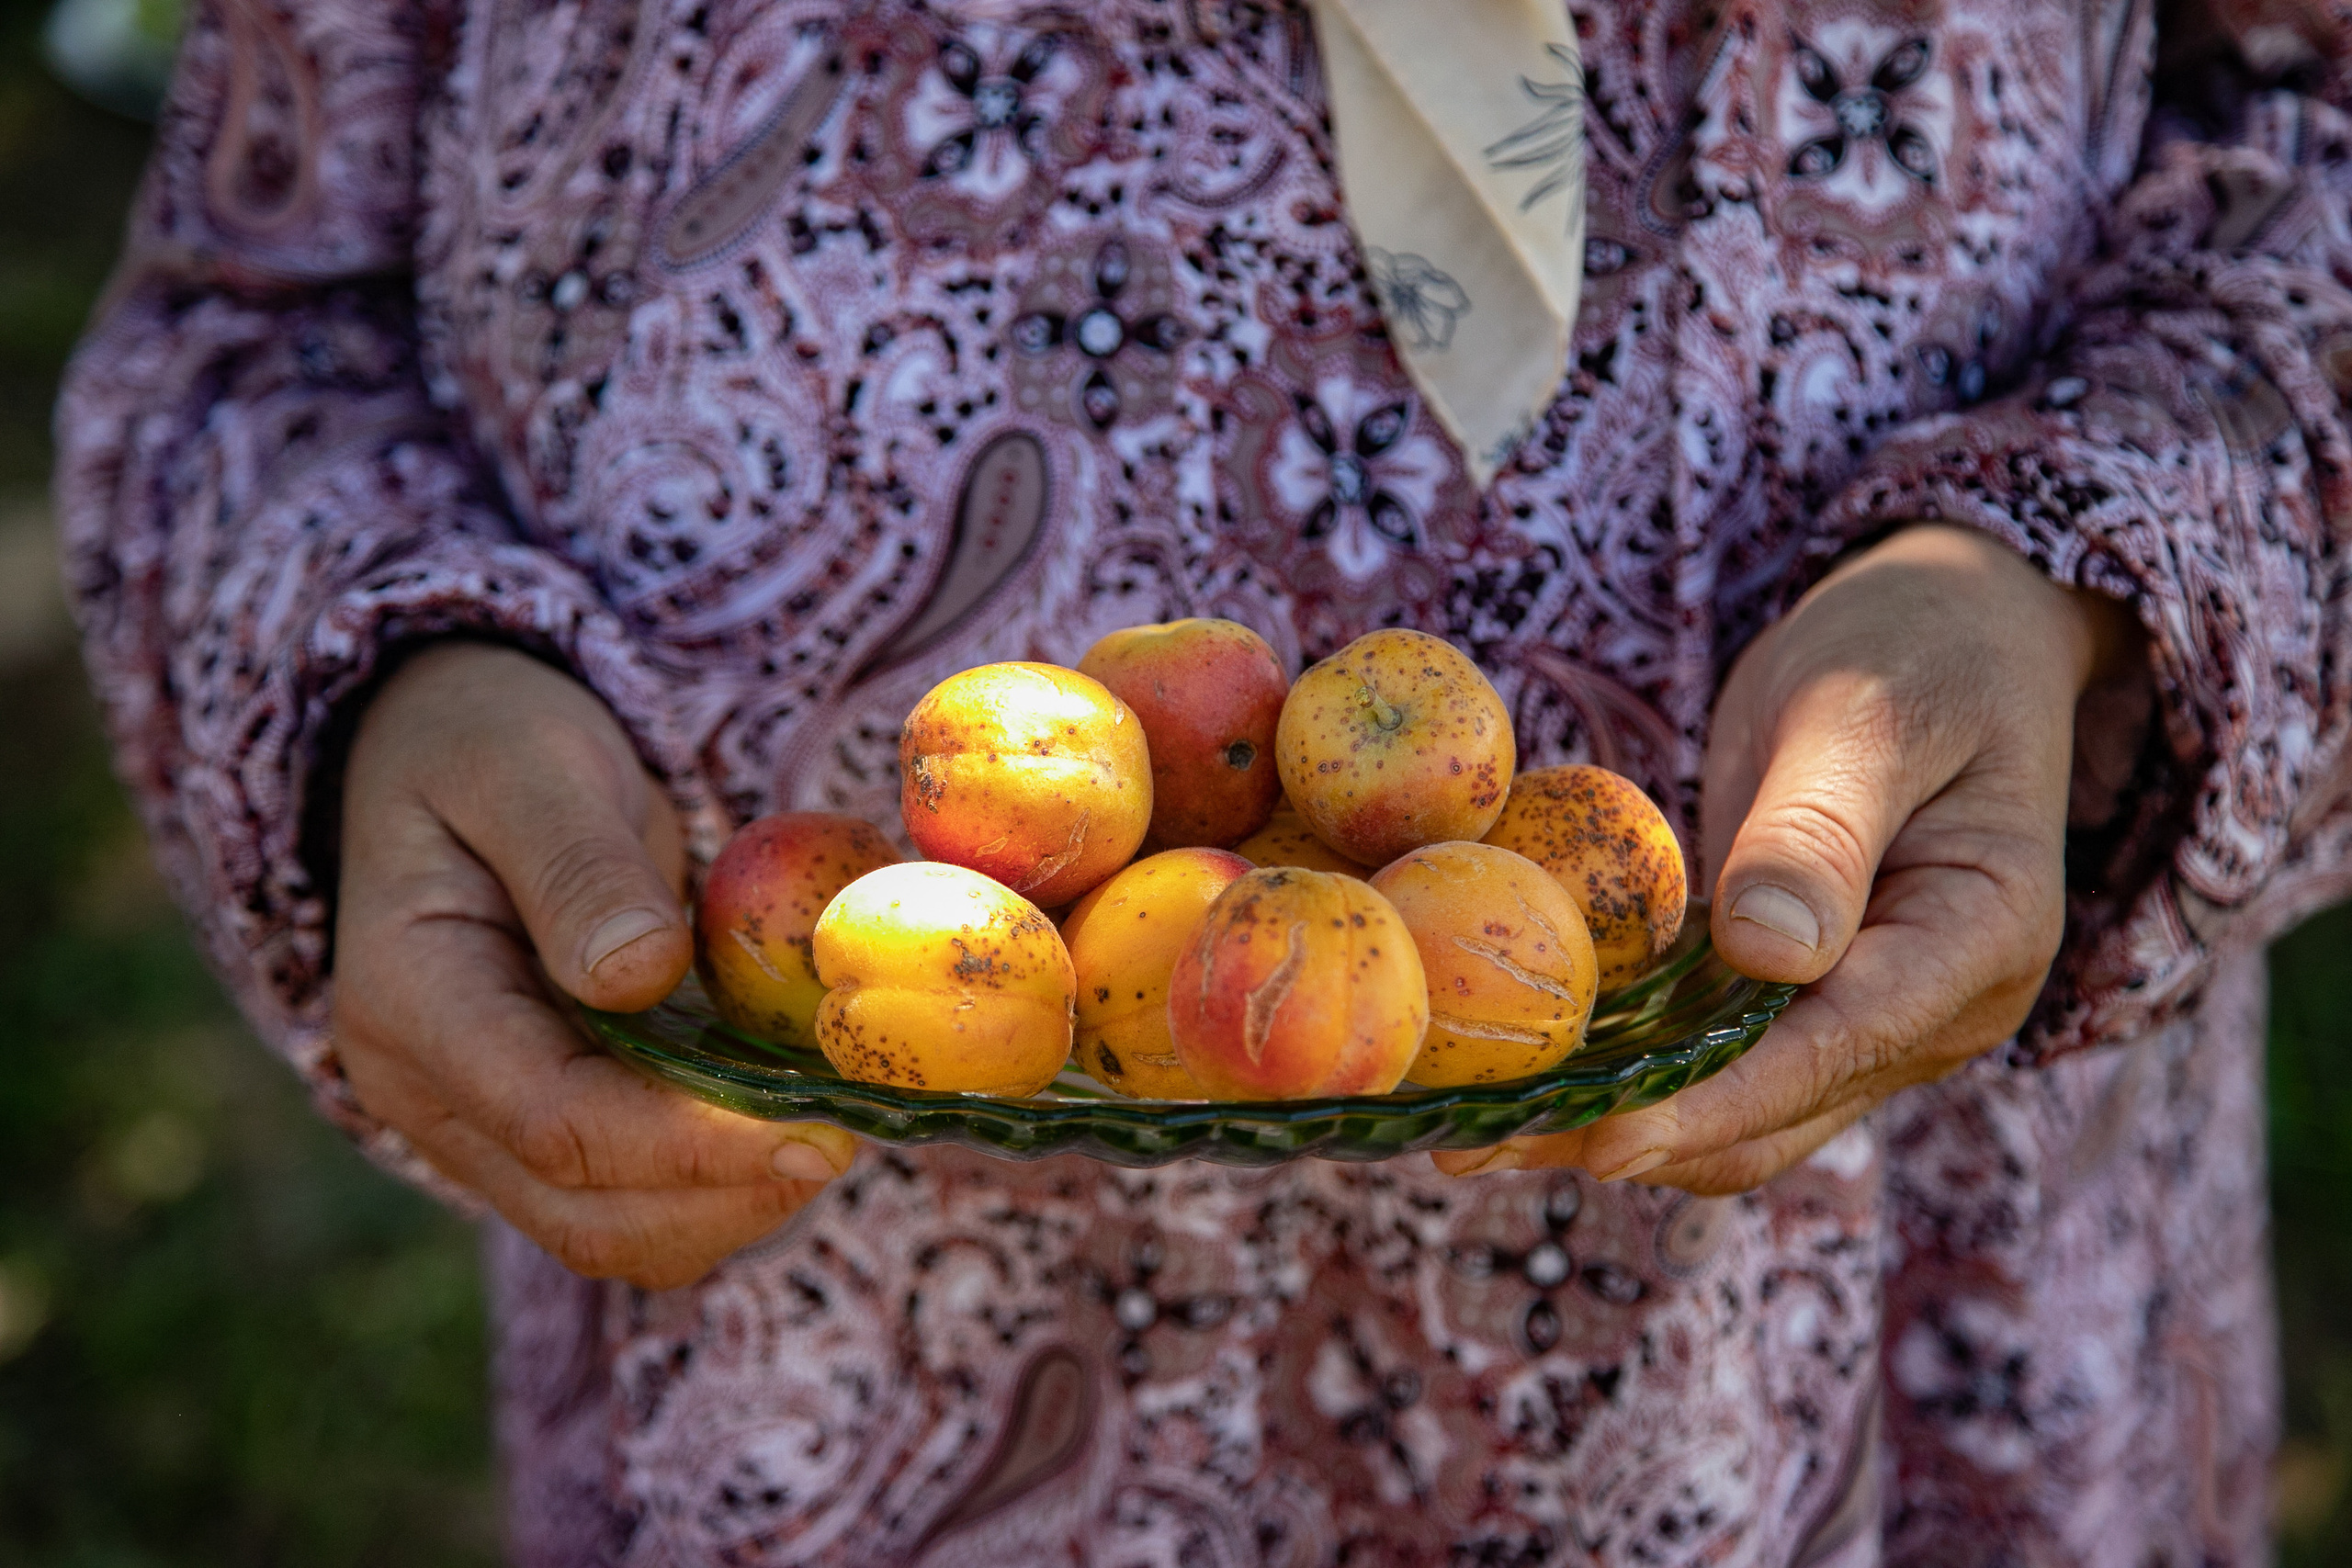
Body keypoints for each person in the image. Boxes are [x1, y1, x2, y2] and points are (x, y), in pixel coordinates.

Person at [52, 0, 2352, 1561]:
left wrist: (2074, 578)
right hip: (803, 1333)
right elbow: (258, 297)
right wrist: (374, 679)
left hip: (1866, 1319)